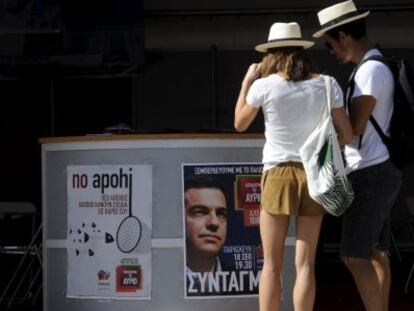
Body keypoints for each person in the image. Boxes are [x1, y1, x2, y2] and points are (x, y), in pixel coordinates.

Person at [234, 22, 353, 311]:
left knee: (272, 264)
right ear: (302, 52)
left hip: (277, 173)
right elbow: (347, 135)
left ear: (271, 54)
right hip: (315, 173)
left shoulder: (263, 86)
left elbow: (239, 123)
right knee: (305, 264)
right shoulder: (327, 84)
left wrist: (246, 82)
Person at [313, 1, 402, 310]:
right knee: (377, 253)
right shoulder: (375, 67)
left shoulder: (370, 71)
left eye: (330, 44)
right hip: (380, 169)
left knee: (353, 255)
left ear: (344, 36)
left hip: (370, 171)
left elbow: (354, 128)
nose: (332, 51)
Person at [184, 175, 234, 295]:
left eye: (221, 214)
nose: (214, 223)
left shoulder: (250, 284)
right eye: (200, 212)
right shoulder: (165, 280)